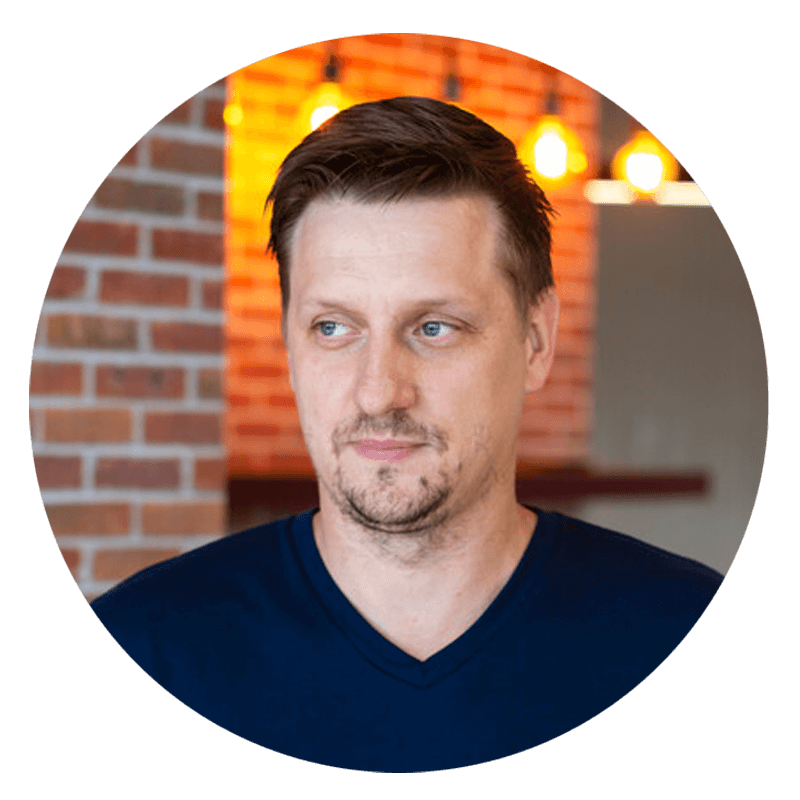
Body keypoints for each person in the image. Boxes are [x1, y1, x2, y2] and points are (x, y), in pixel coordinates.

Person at [89, 96, 725, 772]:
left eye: (433, 327)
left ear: (536, 341)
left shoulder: (676, 627)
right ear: (289, 346)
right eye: (333, 327)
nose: (378, 391)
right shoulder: (147, 645)